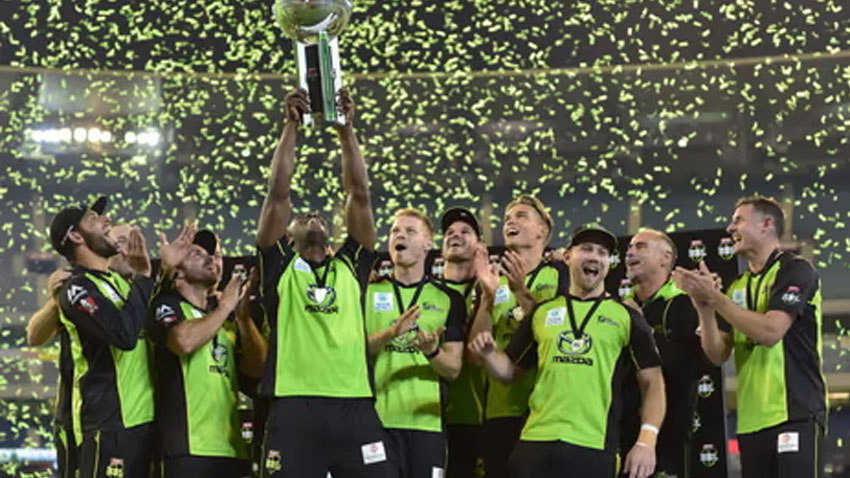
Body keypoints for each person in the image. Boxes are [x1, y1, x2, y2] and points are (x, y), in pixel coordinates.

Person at [256, 88, 395, 477]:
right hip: (294, 407)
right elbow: (278, 190)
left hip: (355, 406)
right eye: (301, 217)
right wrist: (291, 127)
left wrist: (346, 132)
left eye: (319, 215)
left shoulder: (351, 264)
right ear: (286, 235)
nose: (312, 215)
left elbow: (360, 194)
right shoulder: (280, 265)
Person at [470, 225, 665, 478]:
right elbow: (508, 372)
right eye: (586, 249)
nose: (594, 256)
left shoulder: (626, 316)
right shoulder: (542, 312)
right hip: (535, 442)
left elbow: (654, 383)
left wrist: (646, 442)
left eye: (602, 253)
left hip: (593, 446)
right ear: (568, 256)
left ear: (608, 264)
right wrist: (488, 354)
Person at [673, 196, 826, 478]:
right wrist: (704, 309)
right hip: (751, 422)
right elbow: (717, 354)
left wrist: (715, 298)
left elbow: (770, 332)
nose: (731, 228)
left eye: (739, 220)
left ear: (767, 224)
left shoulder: (795, 270)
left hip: (794, 414)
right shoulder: (736, 287)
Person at [51, 196, 187, 478]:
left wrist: (166, 271)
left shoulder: (117, 283)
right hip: (110, 424)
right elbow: (123, 334)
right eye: (94, 218)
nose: (106, 220)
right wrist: (141, 276)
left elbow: (143, 318)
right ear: (76, 236)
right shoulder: (76, 290)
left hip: (145, 421)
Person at [147, 229, 267, 478]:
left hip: (232, 449)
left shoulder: (226, 319)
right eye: (196, 254)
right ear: (178, 273)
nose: (210, 258)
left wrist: (243, 318)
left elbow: (257, 371)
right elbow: (183, 342)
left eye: (215, 255)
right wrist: (225, 307)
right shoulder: (165, 305)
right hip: (186, 449)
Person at [468, 195, 568, 478]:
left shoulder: (559, 271)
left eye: (521, 216)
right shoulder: (491, 281)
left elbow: (560, 333)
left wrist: (522, 292)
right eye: (507, 219)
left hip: (546, 409)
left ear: (542, 230)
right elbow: (476, 356)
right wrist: (487, 298)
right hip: (500, 411)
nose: (511, 221)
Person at [27, 225, 134, 478]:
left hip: (131, 420)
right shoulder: (79, 287)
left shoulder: (134, 288)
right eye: (117, 240)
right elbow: (34, 335)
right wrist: (57, 300)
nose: (123, 248)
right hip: (82, 417)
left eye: (130, 242)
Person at [366, 208, 465, 478]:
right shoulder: (368, 292)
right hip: (375, 423)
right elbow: (352, 352)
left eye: (410, 231)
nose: (401, 235)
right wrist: (391, 333)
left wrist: (431, 351)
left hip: (426, 425)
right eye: (395, 231)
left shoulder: (448, 299)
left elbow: (453, 369)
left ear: (427, 243)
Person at [623, 228, 710, 477]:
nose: (630, 252)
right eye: (629, 247)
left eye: (640, 247)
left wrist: (642, 332)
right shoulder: (619, 309)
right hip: (621, 438)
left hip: (668, 442)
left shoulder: (684, 303)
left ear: (665, 258)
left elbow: (701, 363)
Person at [437, 208, 487, 478]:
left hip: (479, 417)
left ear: (480, 246)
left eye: (465, 232)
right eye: (449, 233)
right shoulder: (426, 293)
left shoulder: (495, 290)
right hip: (432, 417)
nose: (455, 236)